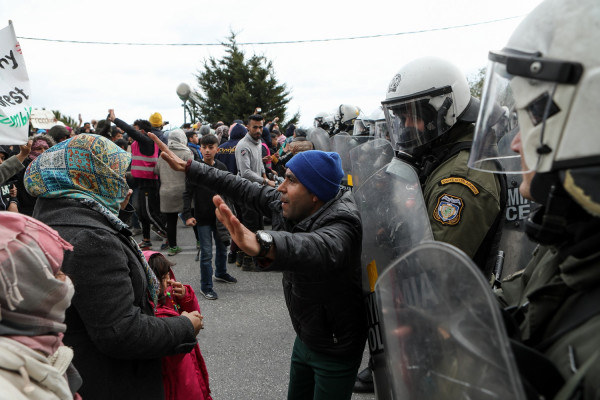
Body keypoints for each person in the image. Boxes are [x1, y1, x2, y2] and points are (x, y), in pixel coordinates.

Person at [151, 133, 367, 400]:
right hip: (307, 335)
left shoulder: (344, 223)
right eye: (284, 176)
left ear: (315, 194)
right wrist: (190, 167)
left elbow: (315, 246)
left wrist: (263, 243)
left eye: (291, 180)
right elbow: (240, 186)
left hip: (336, 347)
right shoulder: (289, 203)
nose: (280, 187)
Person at [467, 0, 600, 397]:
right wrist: (457, 315)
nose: (515, 141)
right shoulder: (573, 238)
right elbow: (527, 297)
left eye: (535, 117)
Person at [352, 56, 506, 394]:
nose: (406, 125)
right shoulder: (439, 157)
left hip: (449, 324)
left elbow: (434, 263)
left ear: (444, 111)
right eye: (401, 116)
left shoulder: (462, 176)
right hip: (433, 320)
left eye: (414, 115)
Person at [24, 134, 203, 399]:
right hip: (107, 381)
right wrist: (185, 326)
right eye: (116, 174)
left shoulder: (54, 218)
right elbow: (121, 332)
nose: (124, 182)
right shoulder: (92, 239)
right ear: (89, 178)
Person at [0, 212, 82, 399]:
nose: (66, 280)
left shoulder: (43, 348)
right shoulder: (7, 389)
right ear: (26, 286)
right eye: (55, 272)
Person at [143, 250, 212, 400]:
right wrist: (185, 325)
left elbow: (196, 314)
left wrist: (185, 296)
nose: (168, 280)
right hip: (177, 386)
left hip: (190, 375)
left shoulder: (168, 297)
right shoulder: (153, 317)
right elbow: (171, 356)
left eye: (168, 274)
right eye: (162, 277)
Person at [182, 134, 237, 300]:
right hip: (202, 218)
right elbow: (187, 193)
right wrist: (187, 215)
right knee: (206, 253)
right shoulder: (195, 169)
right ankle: (206, 286)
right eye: (204, 147)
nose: (207, 150)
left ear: (216, 149)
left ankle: (221, 272)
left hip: (220, 217)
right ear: (200, 149)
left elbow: (229, 191)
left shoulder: (222, 167)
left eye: (210, 147)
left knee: (222, 248)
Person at [108, 109, 168, 250]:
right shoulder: (137, 143)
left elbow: (131, 130)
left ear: (141, 131)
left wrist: (115, 120)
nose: (131, 132)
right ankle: (146, 240)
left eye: (135, 130)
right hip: (141, 182)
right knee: (141, 213)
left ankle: (167, 234)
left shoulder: (146, 141)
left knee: (149, 212)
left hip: (149, 182)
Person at [234, 114, 276, 271]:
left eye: (261, 127)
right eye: (255, 127)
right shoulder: (243, 145)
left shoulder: (258, 142)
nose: (259, 130)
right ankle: (248, 262)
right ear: (248, 127)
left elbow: (259, 163)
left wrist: (266, 174)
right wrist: (266, 181)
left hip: (257, 190)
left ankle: (244, 257)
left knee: (258, 224)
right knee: (251, 227)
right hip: (246, 191)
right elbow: (245, 172)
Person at [156, 129, 193, 256]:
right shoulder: (187, 153)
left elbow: (156, 171)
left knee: (171, 221)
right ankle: (200, 242)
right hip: (184, 192)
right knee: (192, 216)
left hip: (166, 192)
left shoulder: (163, 154)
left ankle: (173, 247)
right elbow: (193, 171)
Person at [14, 134, 56, 216]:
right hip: (27, 211)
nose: (43, 151)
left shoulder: (54, 165)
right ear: (30, 150)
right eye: (39, 149)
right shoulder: (23, 166)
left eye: (46, 148)